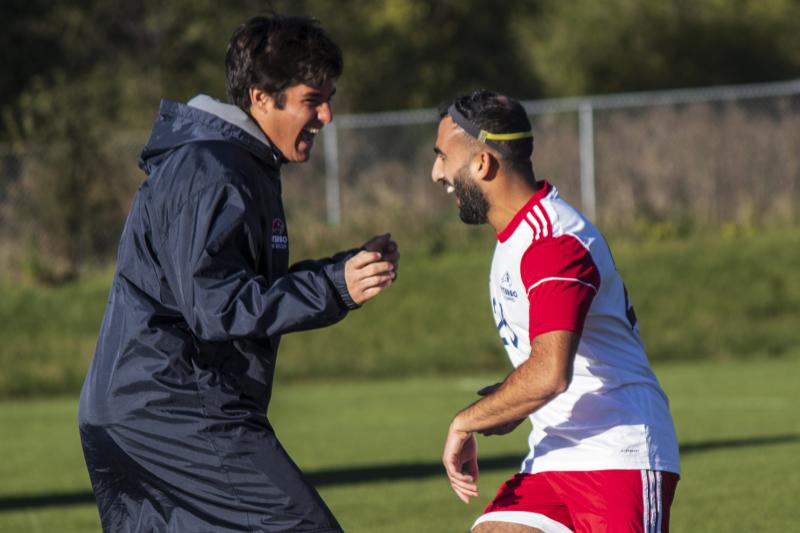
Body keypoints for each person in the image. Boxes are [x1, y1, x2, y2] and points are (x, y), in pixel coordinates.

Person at [78, 15, 398, 533]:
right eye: (313, 100)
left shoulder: (235, 164)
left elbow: (231, 288)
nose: (328, 116)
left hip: (143, 407)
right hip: (175, 409)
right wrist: (334, 288)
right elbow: (216, 306)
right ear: (260, 97)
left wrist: (341, 272)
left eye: (329, 98)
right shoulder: (212, 169)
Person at [432, 90, 680, 533]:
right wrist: (508, 401)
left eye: (442, 158)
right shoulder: (517, 235)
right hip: (555, 454)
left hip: (616, 454)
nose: (437, 174)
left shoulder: (552, 244)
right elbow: (545, 365)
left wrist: (465, 422)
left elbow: (549, 374)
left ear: (483, 164)